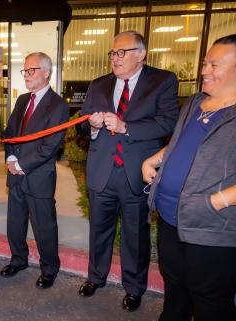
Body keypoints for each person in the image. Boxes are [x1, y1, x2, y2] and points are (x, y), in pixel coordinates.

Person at [76, 30, 180, 311]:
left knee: (135, 236)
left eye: (122, 52)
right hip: (102, 172)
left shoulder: (162, 81)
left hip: (137, 173)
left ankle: (134, 288)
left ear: (141, 54)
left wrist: (127, 127)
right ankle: (95, 277)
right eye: (113, 53)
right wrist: (93, 128)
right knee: (99, 231)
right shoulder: (98, 85)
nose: (115, 58)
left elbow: (169, 123)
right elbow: (82, 126)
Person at [142, 34, 236, 321]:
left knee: (209, 302)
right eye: (205, 63)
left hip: (211, 229)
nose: (204, 71)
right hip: (171, 218)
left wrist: (215, 202)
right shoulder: (196, 102)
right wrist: (154, 159)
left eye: (214, 65)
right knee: (176, 292)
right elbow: (180, 142)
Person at [0, 52, 68, 289]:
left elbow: (50, 146)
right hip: (15, 174)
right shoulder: (21, 101)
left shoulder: (58, 105)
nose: (26, 75)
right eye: (25, 71)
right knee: (15, 224)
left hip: (38, 177)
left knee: (44, 227)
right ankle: (18, 260)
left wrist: (21, 164)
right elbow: (10, 132)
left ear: (46, 73)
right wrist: (10, 156)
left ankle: (49, 269)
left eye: (32, 70)